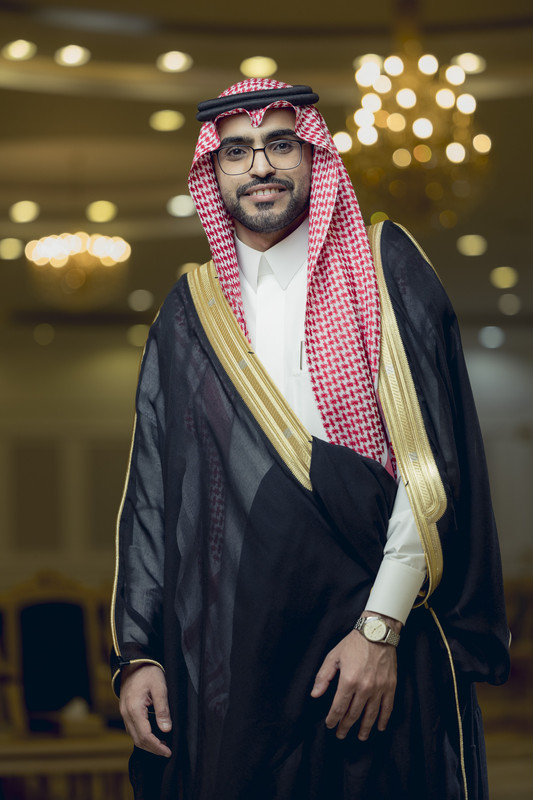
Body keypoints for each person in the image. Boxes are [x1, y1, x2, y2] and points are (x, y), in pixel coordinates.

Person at [111, 79, 510, 800]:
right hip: (241, 645)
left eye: (280, 144)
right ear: (213, 171)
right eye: (236, 151)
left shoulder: (385, 268)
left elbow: (429, 465)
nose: (259, 166)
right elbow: (154, 493)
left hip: (372, 632)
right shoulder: (190, 310)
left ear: (313, 156)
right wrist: (140, 653)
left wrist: (380, 628)